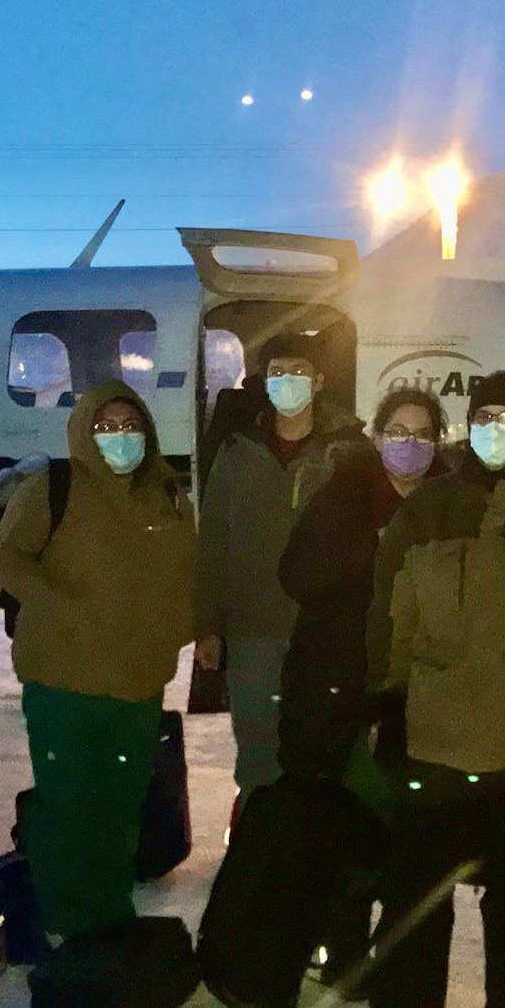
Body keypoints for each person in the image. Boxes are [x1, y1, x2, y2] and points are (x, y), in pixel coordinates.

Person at [331, 371, 505, 1008]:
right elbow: (387, 611)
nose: (498, 428)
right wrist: (385, 701)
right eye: (485, 415)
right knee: (416, 893)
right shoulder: (429, 507)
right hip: (431, 734)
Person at [0, 380, 195, 939]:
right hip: (65, 682)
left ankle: (109, 924)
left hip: (138, 685)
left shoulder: (167, 494)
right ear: (84, 431)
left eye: (131, 427)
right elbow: (5, 560)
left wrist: (180, 632)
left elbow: (188, 576)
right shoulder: (52, 488)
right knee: (70, 812)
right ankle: (70, 933)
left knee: (119, 815)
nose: (120, 438)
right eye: (106, 427)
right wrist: (67, 607)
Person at [274, 387, 451, 982]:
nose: (409, 445)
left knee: (408, 835)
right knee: (345, 822)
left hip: (421, 693)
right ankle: (341, 951)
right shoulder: (341, 499)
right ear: (376, 439)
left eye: (423, 434)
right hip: (340, 686)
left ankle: (397, 959)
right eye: (397, 432)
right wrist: (369, 561)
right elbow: (294, 575)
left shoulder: (453, 506)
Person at [195, 332, 366, 799]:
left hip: (325, 633)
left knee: (324, 751)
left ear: (320, 380)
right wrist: (208, 625)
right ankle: (258, 851)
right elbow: (212, 541)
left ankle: (313, 858)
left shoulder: (349, 451)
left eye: (298, 371)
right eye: (276, 372)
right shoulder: (236, 452)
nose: (287, 381)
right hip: (253, 629)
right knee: (258, 756)